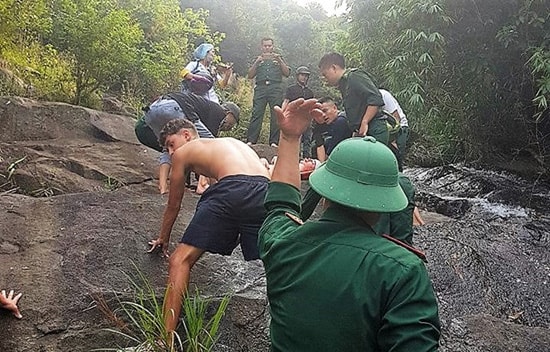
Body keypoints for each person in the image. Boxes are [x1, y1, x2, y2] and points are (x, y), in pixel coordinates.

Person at [258, 98, 440, 351]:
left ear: (324, 192)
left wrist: (289, 139)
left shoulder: (282, 242)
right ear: (384, 204)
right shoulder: (403, 271)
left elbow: (280, 206)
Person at [146, 118, 270, 342]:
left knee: (179, 260)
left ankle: (165, 340)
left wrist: (163, 237)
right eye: (168, 149)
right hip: (265, 190)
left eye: (171, 144)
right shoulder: (229, 144)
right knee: (272, 259)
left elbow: (174, 204)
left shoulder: (186, 152)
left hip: (233, 187)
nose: (172, 152)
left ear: (187, 135)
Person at [135, 92, 239, 194]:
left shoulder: (204, 106)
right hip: (172, 107)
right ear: (229, 113)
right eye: (233, 122)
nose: (230, 127)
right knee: (210, 145)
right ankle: (203, 185)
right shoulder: (219, 111)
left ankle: (163, 187)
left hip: (152, 111)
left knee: (167, 147)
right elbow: (208, 146)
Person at [318, 52, 389, 145]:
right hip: (362, 132)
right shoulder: (344, 84)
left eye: (325, 75)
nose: (325, 79)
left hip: (374, 129)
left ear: (334, 68)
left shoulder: (355, 76)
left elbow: (375, 99)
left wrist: (365, 122)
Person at [246, 37, 290, 146]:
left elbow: (287, 73)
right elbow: (250, 75)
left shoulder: (279, 58)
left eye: (269, 45)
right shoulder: (257, 59)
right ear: (261, 47)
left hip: (275, 88)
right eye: (265, 45)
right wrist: (257, 62)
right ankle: (251, 140)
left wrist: (279, 61)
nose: (267, 48)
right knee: (257, 113)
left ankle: (274, 142)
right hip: (260, 88)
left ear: (272, 46)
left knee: (275, 114)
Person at [284, 66, 315, 157]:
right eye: (302, 75)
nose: (304, 77)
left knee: (307, 140)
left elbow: (312, 105)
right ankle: (294, 158)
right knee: (295, 139)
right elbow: (286, 101)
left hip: (306, 118)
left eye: (306, 75)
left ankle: (307, 158)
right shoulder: (291, 89)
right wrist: (283, 113)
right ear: (297, 76)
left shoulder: (309, 92)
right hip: (294, 118)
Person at [312, 97, 352, 162]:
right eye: (320, 113)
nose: (323, 115)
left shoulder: (341, 121)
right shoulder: (323, 123)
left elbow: (333, 149)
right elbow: (319, 144)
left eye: (325, 111)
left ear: (334, 108)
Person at [380, 88, 410, 169]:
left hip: (399, 127)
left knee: (396, 158)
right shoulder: (365, 100)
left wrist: (393, 140)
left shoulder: (383, 95)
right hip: (384, 129)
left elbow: (396, 117)